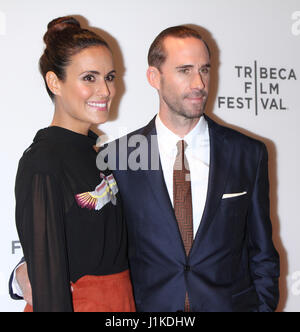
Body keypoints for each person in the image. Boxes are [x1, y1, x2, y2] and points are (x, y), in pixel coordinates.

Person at [10, 25, 279, 312]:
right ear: (154, 77)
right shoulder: (115, 158)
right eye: (184, 70)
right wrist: (24, 271)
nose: (199, 83)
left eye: (205, 69)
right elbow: (73, 232)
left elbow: (262, 252)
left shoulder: (247, 154)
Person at [10, 16, 135, 312]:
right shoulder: (43, 160)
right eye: (89, 78)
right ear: (55, 81)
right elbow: (48, 279)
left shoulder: (99, 156)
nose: (105, 90)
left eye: (110, 77)